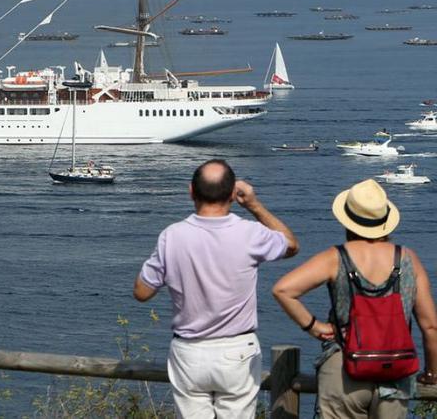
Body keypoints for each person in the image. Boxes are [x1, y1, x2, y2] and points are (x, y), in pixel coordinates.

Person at [133, 159, 298, 419]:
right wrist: (254, 205)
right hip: (237, 349)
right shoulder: (250, 234)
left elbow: (142, 292)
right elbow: (290, 245)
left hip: (189, 350)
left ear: (191, 191)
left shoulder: (172, 236)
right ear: (233, 194)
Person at [273, 179, 437, 418]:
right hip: (395, 369)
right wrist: (432, 372)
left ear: (347, 221)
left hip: (344, 366)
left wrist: (314, 327)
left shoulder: (335, 257)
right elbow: (430, 326)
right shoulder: (408, 259)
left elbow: (283, 290)